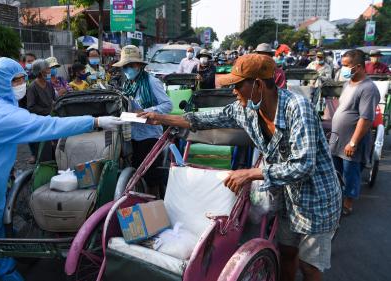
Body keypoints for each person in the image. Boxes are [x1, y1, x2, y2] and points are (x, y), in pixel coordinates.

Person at [140, 54, 341, 281]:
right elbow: (202, 119)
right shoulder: (244, 109)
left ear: (257, 84)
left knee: (309, 266)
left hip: (316, 197)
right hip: (286, 195)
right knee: (286, 252)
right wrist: (161, 117)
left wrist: (251, 173)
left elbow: (303, 165)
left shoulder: (298, 108)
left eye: (237, 85)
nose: (234, 91)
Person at [0, 57, 125, 281]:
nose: (21, 84)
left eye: (22, 78)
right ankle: (4, 269)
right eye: (16, 80)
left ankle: (6, 254)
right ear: (2, 82)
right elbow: (47, 125)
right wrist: (94, 122)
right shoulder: (1, 113)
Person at [112, 45, 172, 196]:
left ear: (138, 66)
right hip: (132, 134)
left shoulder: (151, 82)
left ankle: (155, 203)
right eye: (125, 67)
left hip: (149, 135)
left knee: (150, 175)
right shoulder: (127, 84)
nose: (127, 70)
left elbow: (167, 105)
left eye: (130, 66)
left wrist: (147, 112)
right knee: (135, 173)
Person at [330, 49, 380, 216]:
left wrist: (353, 142)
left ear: (358, 67)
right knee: (336, 172)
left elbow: (365, 119)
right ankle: (337, 199)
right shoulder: (348, 84)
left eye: (346, 66)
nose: (342, 69)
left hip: (351, 140)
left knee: (350, 173)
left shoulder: (368, 89)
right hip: (337, 138)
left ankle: (348, 204)